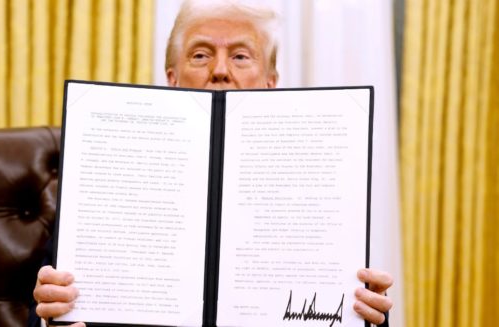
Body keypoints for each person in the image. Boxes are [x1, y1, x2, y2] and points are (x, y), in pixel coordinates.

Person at [31, 1, 393, 326]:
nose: (220, 70)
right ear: (172, 79)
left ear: (271, 82)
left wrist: (370, 319)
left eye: (240, 56)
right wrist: (56, 320)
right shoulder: (109, 179)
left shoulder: (320, 191)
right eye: (201, 55)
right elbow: (47, 314)